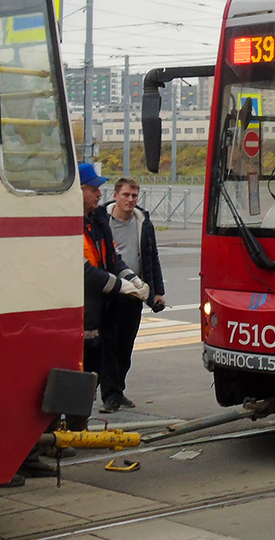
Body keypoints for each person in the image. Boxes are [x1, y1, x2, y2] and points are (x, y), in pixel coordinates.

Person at [79, 164, 149, 413]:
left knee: (100, 361)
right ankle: (76, 419)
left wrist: (133, 280)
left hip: (101, 308)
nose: (99, 194)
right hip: (84, 309)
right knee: (83, 366)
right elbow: (84, 271)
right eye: (94, 189)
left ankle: (87, 413)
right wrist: (121, 286)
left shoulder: (98, 220)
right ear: (79, 190)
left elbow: (113, 259)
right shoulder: (69, 224)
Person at [100, 177, 167, 413]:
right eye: (126, 195)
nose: (130, 200)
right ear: (115, 195)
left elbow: (152, 257)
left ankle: (118, 390)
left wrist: (157, 292)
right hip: (109, 292)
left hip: (135, 294)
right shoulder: (102, 220)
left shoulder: (142, 222)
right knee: (108, 345)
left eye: (134, 195)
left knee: (125, 346)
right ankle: (110, 395)